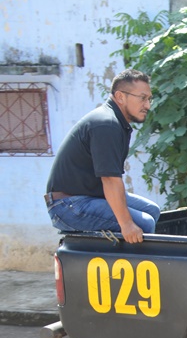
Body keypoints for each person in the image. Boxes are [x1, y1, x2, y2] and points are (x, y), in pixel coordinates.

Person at [44, 69, 161, 244]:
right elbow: (109, 178)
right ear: (120, 97)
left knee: (152, 210)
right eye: (142, 98)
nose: (148, 105)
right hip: (68, 205)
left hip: (89, 196)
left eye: (149, 99)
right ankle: (132, 268)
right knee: (143, 223)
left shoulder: (115, 122)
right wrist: (127, 224)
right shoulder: (106, 124)